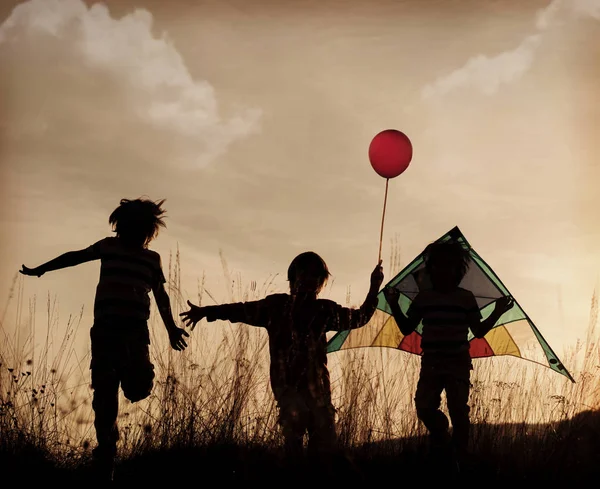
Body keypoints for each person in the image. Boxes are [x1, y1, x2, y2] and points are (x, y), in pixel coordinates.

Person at [19, 197, 189, 482]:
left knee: (137, 388)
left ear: (147, 231)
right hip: (106, 333)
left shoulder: (151, 259)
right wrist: (43, 268)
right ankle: (106, 455)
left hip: (135, 334)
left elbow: (160, 295)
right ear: (120, 227)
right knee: (105, 396)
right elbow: (75, 256)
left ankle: (137, 381)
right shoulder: (108, 247)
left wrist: (171, 328)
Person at [180, 252, 384, 471]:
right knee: (295, 431)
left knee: (323, 449)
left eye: (315, 275)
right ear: (293, 278)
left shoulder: (324, 310)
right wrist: (207, 312)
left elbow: (360, 318)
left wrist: (374, 288)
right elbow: (239, 310)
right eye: (304, 273)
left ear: (321, 282)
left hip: (319, 392)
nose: (309, 279)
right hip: (288, 388)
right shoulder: (276, 306)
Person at [383, 240, 514, 467]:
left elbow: (479, 331)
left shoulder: (465, 297)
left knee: (458, 410)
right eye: (438, 266)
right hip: (432, 361)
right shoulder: (424, 297)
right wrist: (393, 304)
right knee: (424, 407)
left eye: (449, 266)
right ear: (431, 269)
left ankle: (458, 457)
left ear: (457, 269)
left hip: (458, 362)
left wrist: (497, 311)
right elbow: (406, 328)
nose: (443, 270)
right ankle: (441, 435)